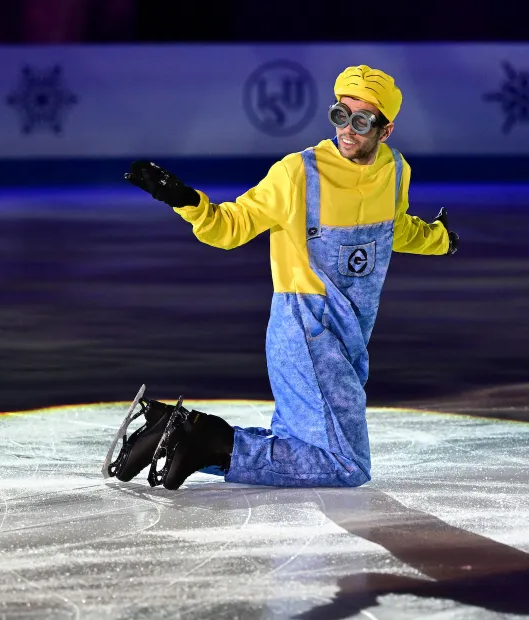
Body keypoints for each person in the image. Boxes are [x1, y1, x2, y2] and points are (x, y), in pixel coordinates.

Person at [106, 65, 458, 490]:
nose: (347, 129)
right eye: (340, 115)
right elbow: (229, 226)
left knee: (297, 444)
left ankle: (175, 430)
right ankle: (205, 440)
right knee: (347, 465)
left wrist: (439, 240)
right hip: (306, 328)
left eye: (362, 121)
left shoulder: (396, 171)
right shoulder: (298, 174)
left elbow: (393, 229)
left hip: (351, 334)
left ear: (385, 131)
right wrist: (183, 198)